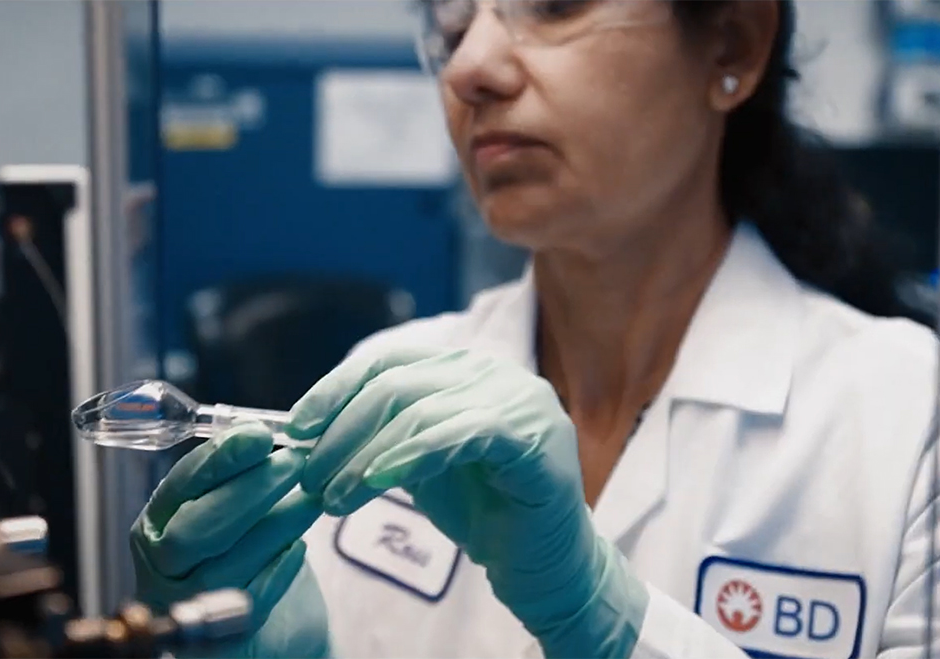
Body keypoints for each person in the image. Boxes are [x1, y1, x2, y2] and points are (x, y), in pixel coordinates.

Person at [129, 0, 940, 657]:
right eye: (453, 21)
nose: (471, 66)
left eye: (555, 5)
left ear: (732, 43)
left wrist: (603, 619)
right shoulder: (387, 373)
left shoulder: (910, 419)